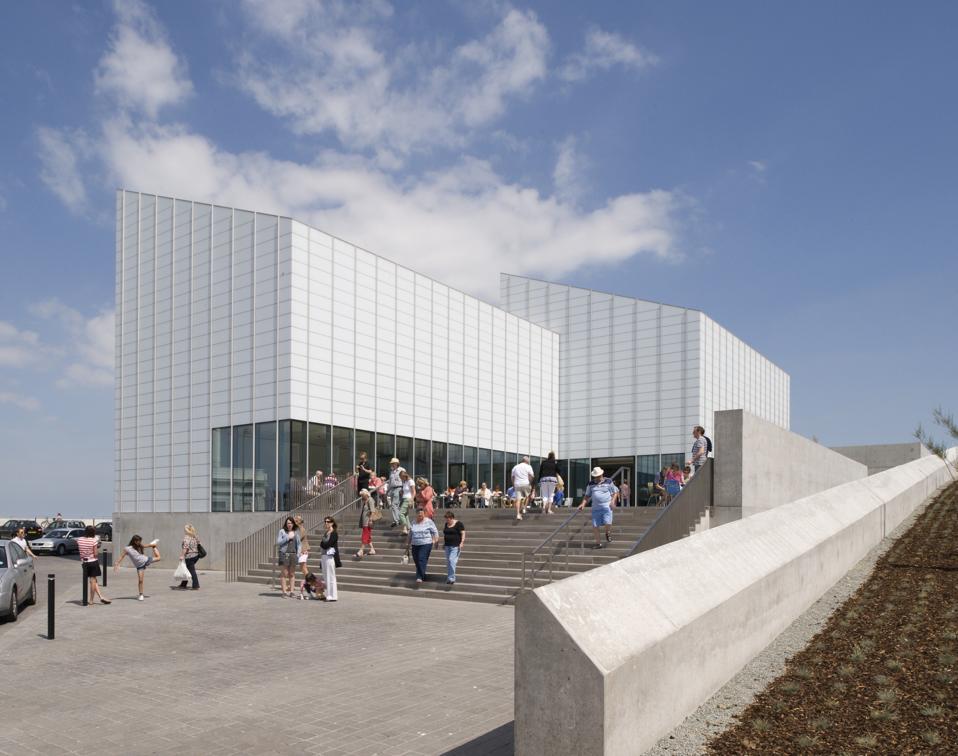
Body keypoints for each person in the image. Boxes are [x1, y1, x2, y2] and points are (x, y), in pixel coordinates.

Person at [577, 467, 619, 549]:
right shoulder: (591, 484)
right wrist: (583, 504)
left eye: (598, 476)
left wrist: (612, 501)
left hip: (607, 506)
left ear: (602, 474)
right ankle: (598, 543)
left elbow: (615, 492)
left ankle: (607, 532)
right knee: (595, 525)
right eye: (595, 476)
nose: (597, 478)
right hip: (596, 507)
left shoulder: (608, 481)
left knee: (608, 522)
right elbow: (587, 495)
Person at [114, 535, 161, 600]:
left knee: (159, 558)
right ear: (134, 541)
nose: (140, 542)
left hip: (145, 559)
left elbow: (145, 546)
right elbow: (122, 556)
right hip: (139, 566)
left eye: (140, 541)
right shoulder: (127, 549)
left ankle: (154, 547)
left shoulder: (139, 545)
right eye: (139, 541)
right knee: (140, 580)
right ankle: (141, 595)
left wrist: (151, 545)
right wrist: (117, 564)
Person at [76, 525, 110, 605]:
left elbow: (80, 547)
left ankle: (101, 596)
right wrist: (96, 548)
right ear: (93, 532)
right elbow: (95, 553)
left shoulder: (79, 539)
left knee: (94, 581)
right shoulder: (94, 540)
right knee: (93, 581)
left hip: (84, 562)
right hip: (93, 561)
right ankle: (91, 600)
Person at [407, 508, 439, 584]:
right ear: (416, 514)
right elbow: (410, 534)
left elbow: (435, 531)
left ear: (424, 514)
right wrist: (408, 544)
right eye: (418, 515)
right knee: (416, 560)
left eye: (421, 515)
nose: (420, 516)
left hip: (426, 544)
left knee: (421, 559)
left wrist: (436, 542)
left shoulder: (429, 521)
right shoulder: (413, 522)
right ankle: (423, 575)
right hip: (415, 544)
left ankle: (419, 576)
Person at [276, 517, 301, 598]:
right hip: (284, 554)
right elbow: (279, 542)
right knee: (284, 573)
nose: (289, 525)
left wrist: (298, 554)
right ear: (286, 524)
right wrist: (287, 537)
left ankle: (292, 592)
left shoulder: (296, 532)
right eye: (288, 523)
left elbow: (299, 544)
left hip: (293, 554)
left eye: (290, 523)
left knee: (292, 573)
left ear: (293, 524)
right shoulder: (282, 531)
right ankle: (284, 592)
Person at [319, 517, 340, 601]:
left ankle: (333, 595)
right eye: (325, 521)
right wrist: (323, 544)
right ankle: (329, 594)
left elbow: (327, 544)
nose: (326, 523)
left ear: (332, 523)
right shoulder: (326, 533)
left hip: (330, 557)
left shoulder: (334, 533)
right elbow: (322, 544)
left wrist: (323, 544)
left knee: (331, 576)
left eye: (328, 521)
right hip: (324, 556)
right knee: (325, 575)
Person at [442, 511, 466, 585]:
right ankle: (450, 578)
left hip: (455, 546)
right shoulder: (446, 524)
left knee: (451, 560)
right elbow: (446, 534)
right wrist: (444, 543)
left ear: (452, 518)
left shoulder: (459, 524)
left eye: (448, 519)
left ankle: (452, 578)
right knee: (449, 562)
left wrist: (462, 542)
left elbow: (463, 533)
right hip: (447, 546)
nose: (446, 521)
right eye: (446, 519)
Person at [511, 455, 535, 520]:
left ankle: (518, 514)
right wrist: (530, 482)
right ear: (527, 461)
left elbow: (512, 477)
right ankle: (524, 507)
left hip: (517, 484)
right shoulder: (528, 466)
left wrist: (513, 484)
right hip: (525, 483)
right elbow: (532, 476)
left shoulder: (515, 467)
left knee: (518, 499)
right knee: (528, 496)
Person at [178, 524, 201, 590]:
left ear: (187, 530)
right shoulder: (195, 536)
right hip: (196, 556)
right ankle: (183, 584)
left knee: (192, 571)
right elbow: (199, 543)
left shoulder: (187, 537)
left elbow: (185, 548)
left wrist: (182, 556)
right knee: (187, 569)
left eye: (185, 529)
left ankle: (196, 585)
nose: (184, 530)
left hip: (189, 556)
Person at [355, 488, 377, 558]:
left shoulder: (370, 499)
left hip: (367, 521)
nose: (362, 496)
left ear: (366, 494)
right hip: (365, 521)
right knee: (368, 535)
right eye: (361, 495)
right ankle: (372, 549)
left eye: (362, 495)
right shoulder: (365, 501)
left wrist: (370, 520)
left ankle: (361, 550)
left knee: (365, 535)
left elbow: (373, 511)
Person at [386, 457, 406, 528]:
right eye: (391, 464)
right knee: (395, 505)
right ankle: (397, 519)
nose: (392, 465)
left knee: (394, 504)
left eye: (393, 463)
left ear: (397, 464)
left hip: (399, 488)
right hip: (392, 489)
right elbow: (390, 482)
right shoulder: (391, 471)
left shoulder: (401, 470)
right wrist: (388, 491)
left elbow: (404, 480)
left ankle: (397, 520)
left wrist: (403, 489)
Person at [294, 515, 311, 582]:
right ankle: (310, 582)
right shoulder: (297, 529)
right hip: (299, 551)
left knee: (304, 568)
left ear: (300, 521)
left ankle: (311, 582)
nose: (294, 521)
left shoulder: (302, 529)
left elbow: (297, 539)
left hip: (303, 551)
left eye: (296, 520)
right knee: (302, 568)